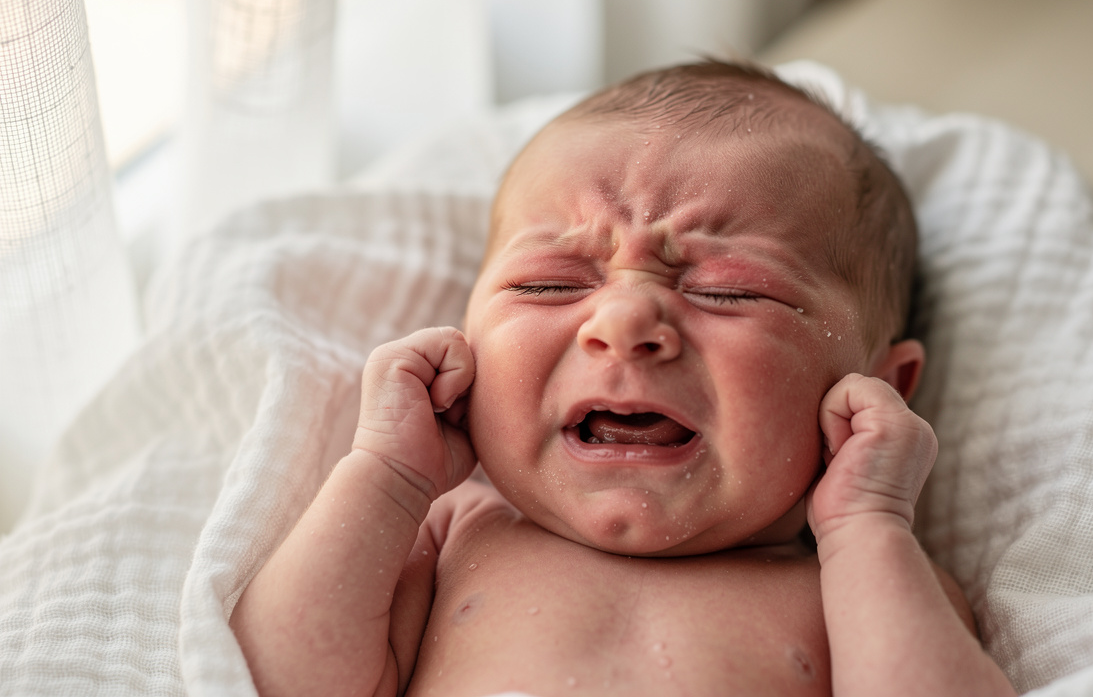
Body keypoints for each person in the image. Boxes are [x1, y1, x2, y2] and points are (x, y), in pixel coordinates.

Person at [229, 60, 1016, 697]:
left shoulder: (856, 580)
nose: (625, 323)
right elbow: (273, 679)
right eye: (549, 284)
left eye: (729, 291)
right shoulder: (455, 531)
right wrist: (390, 475)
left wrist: (868, 524)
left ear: (881, 388)